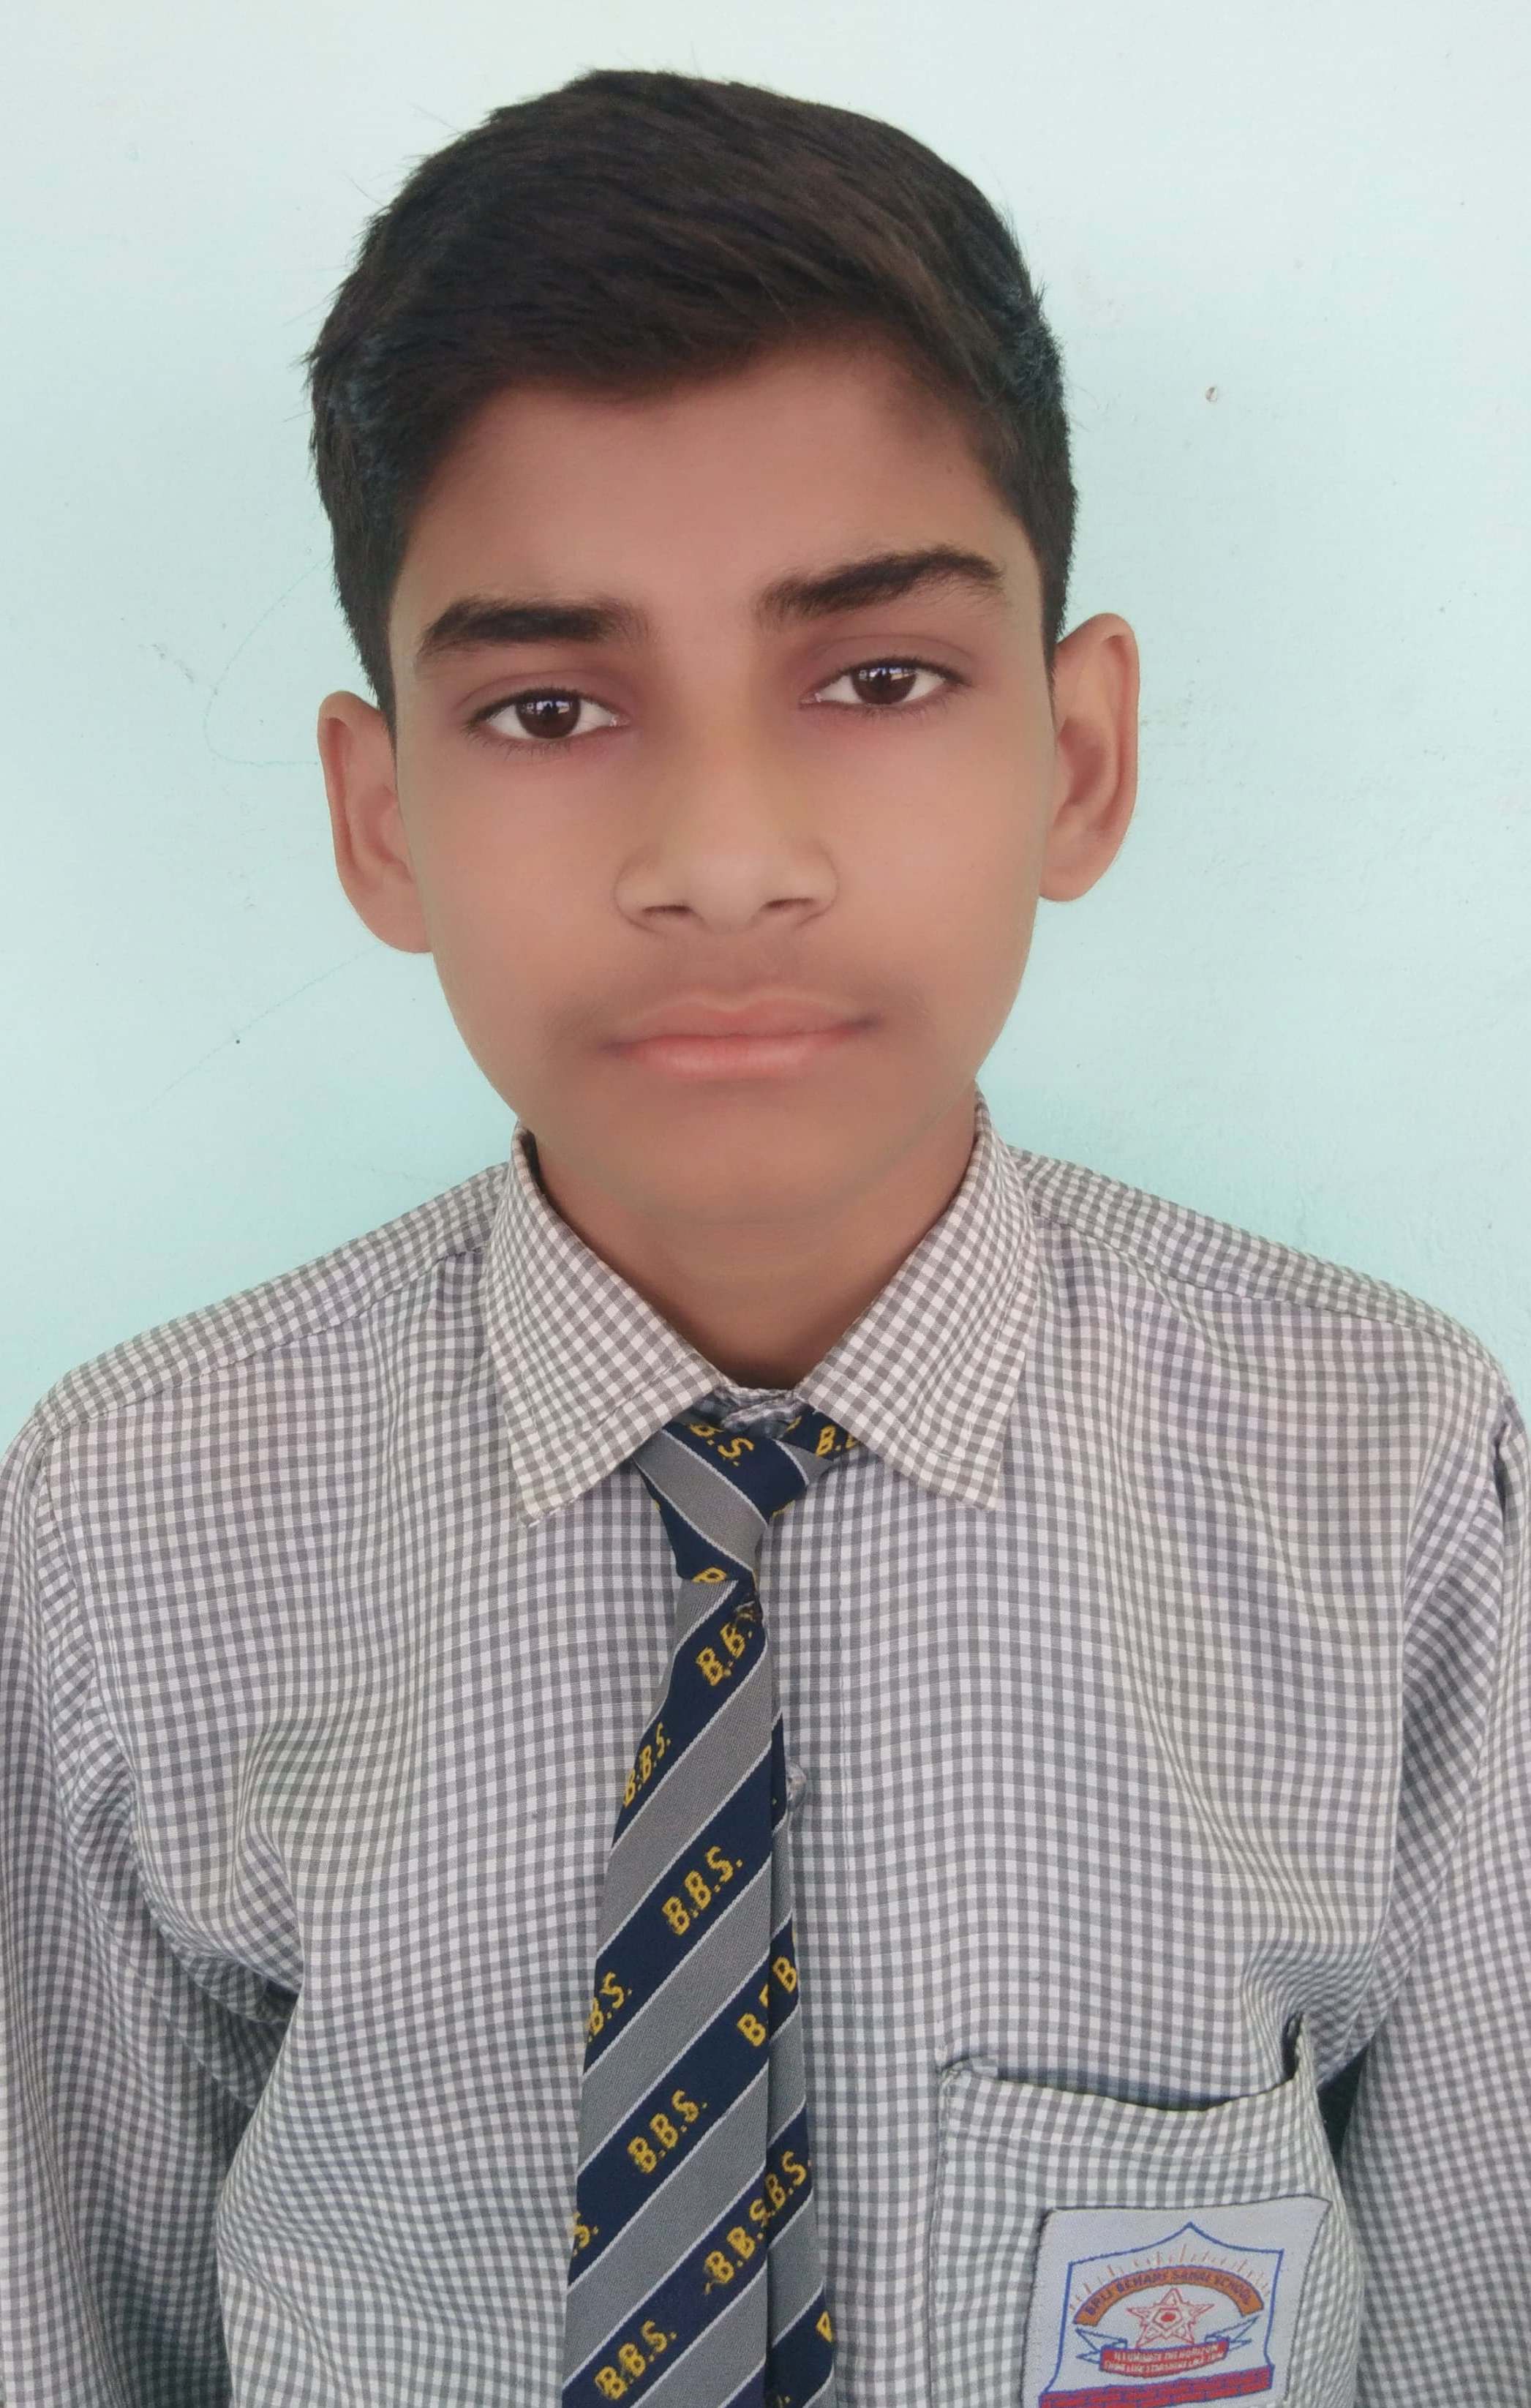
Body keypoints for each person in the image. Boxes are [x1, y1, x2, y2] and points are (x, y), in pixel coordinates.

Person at [1, 64, 1525, 2408]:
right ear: (381, 818)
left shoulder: (1387, 1485)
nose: (724, 856)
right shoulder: (133, 1525)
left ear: (1079, 756)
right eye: (548, 706)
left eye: (881, 677)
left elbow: (1478, 2314)